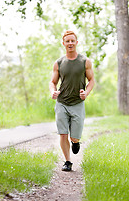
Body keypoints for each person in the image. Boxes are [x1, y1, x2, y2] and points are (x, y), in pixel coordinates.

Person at [49, 30, 95, 172]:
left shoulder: (84, 62)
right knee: (63, 133)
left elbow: (92, 80)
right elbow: (52, 82)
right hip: (62, 102)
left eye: (72, 41)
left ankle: (75, 142)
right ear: (63, 43)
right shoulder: (59, 63)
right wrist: (53, 91)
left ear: (76, 42)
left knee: (74, 137)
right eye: (67, 41)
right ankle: (67, 161)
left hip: (77, 104)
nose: (70, 43)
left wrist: (86, 93)